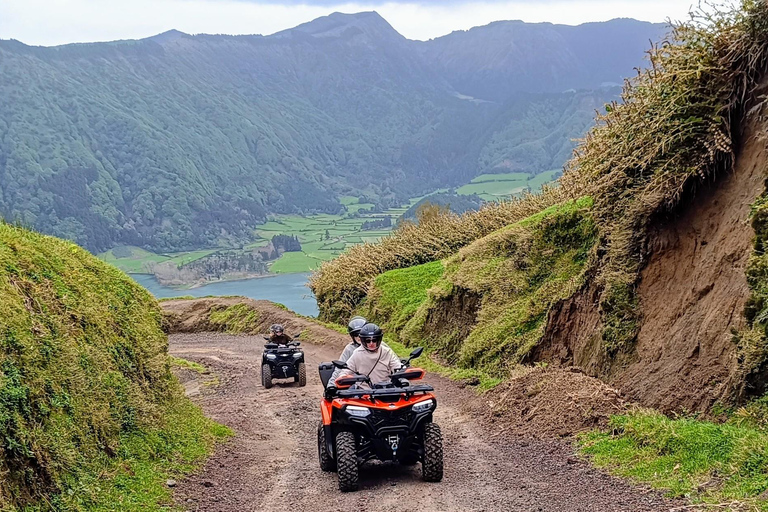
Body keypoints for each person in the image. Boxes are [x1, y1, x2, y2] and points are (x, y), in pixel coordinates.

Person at [336, 323, 402, 389]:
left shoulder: (387, 351)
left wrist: (405, 372)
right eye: (368, 341)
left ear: (379, 339)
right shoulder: (357, 353)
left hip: (386, 390)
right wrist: (343, 378)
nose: (371, 343)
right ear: (363, 340)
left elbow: (398, 367)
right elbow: (346, 370)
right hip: (364, 392)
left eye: (374, 340)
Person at [327, 316, 367, 388]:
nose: (359, 337)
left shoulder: (382, 347)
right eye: (356, 334)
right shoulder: (350, 349)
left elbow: (393, 362)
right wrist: (331, 385)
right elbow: (340, 369)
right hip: (358, 384)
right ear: (352, 336)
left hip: (378, 382)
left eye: (361, 333)